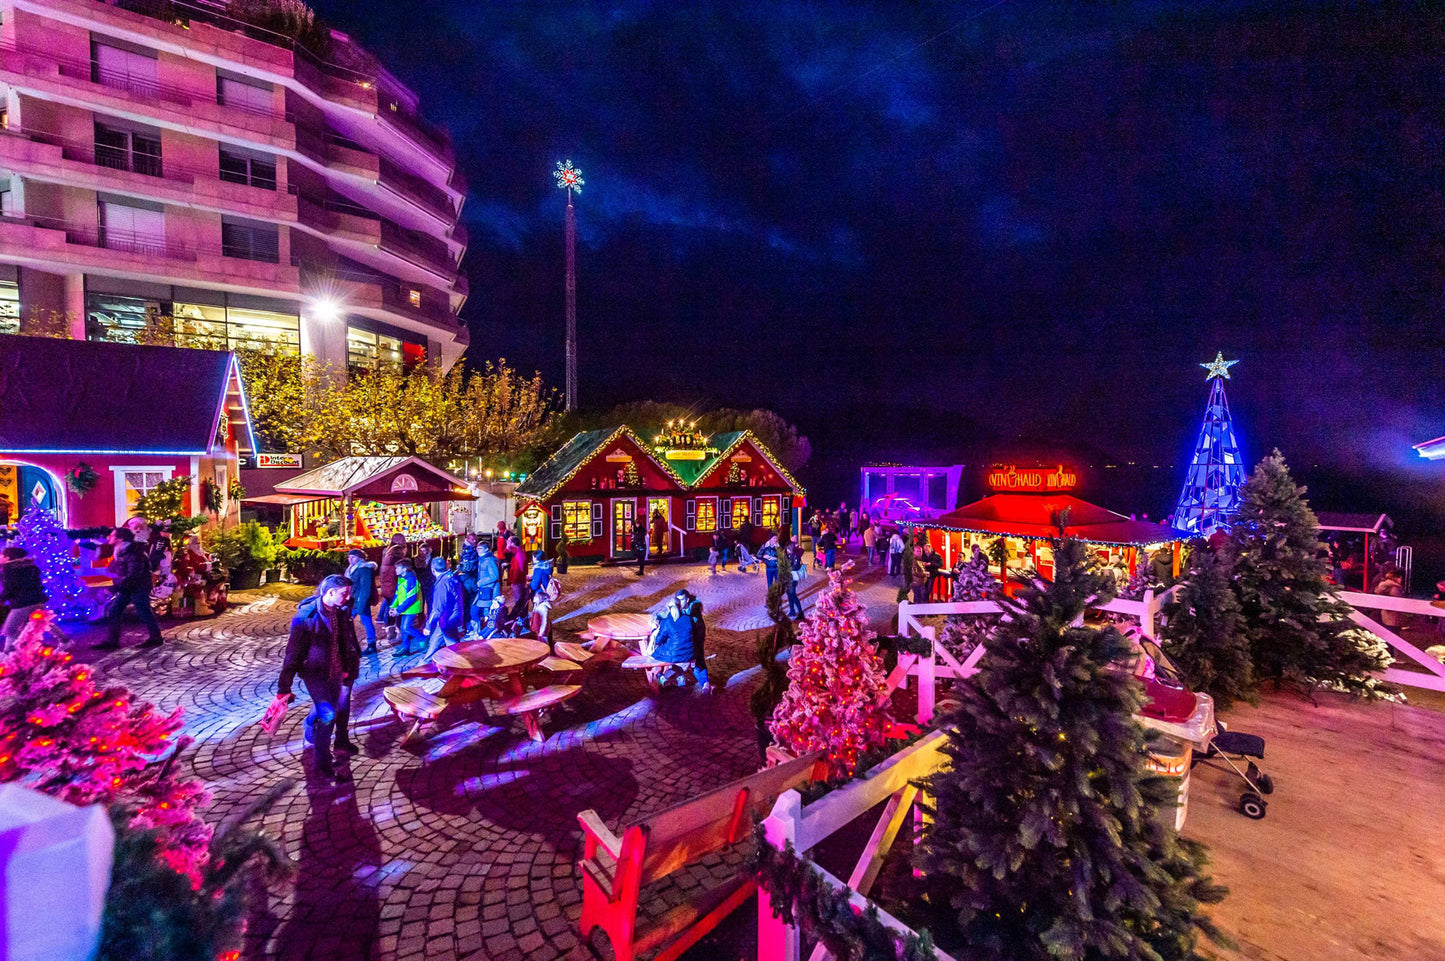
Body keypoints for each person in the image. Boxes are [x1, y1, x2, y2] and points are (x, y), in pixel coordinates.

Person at [277, 574, 358, 780]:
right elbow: (292, 654)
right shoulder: (306, 617)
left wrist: (347, 666)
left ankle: (308, 723)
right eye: (344, 593)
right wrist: (284, 687)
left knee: (333, 708)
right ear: (330, 593)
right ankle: (323, 766)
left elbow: (343, 640)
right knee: (328, 715)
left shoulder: (341, 611)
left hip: (337, 671)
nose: (348, 597)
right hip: (315, 674)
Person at [98, 526, 163, 650]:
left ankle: (156, 638)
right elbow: (116, 569)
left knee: (143, 611)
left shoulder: (133, 552)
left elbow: (134, 574)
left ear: (120, 539)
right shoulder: (120, 550)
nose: (109, 538)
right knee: (115, 611)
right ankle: (112, 641)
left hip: (139, 586)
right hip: (128, 586)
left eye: (112, 535)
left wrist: (115, 585)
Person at [0, 546, 47, 648]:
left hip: (22, 603)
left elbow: (10, 588)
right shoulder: (30, 566)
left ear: (7, 558)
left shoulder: (8, 569)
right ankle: (25, 652)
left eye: (1, 556)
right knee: (29, 629)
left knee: (10, 629)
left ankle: (8, 654)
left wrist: (1, 598)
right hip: (36, 600)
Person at [423, 556, 466, 659]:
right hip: (451, 617)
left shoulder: (442, 584)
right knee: (434, 645)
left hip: (447, 619)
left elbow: (438, 608)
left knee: (454, 650)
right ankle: (425, 665)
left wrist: (428, 625)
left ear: (432, 569)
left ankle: (460, 668)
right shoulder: (451, 577)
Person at [345, 548, 379, 653]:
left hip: (360, 600)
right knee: (348, 621)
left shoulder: (364, 569)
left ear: (360, 558)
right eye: (349, 557)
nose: (350, 559)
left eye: (353, 557)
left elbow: (366, 587)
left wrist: (362, 604)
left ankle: (372, 644)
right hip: (352, 599)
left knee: (365, 621)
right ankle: (349, 643)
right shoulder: (351, 568)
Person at [391, 559, 426, 654]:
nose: (396, 570)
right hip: (405, 608)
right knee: (403, 628)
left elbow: (411, 598)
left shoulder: (411, 579)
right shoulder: (401, 579)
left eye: (398, 568)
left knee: (406, 628)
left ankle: (422, 638)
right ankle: (405, 649)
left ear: (405, 569)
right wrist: (392, 607)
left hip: (412, 608)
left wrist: (398, 610)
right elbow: (397, 594)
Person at [679, 588, 710, 690]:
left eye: (682, 600)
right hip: (688, 638)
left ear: (687, 599)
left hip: (696, 638)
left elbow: (693, 626)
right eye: (678, 600)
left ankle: (705, 684)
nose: (680, 602)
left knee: (698, 661)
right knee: (695, 663)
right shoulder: (680, 607)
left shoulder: (694, 610)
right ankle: (705, 684)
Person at [376, 533, 407, 638]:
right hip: (394, 586)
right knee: (397, 608)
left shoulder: (387, 551)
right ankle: (399, 630)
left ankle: (390, 629)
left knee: (390, 606)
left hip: (387, 586)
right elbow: (401, 570)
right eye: (403, 540)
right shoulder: (396, 552)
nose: (405, 541)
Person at [469, 541, 501, 634]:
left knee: (489, 612)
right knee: (481, 611)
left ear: (486, 549)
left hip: (489, 591)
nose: (477, 550)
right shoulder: (483, 559)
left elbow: (494, 576)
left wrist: (480, 583)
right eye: (477, 548)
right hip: (485, 590)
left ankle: (489, 631)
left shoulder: (489, 560)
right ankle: (484, 631)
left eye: (480, 548)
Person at [456, 533, 481, 614]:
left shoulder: (470, 549)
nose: (475, 541)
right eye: (473, 539)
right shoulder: (468, 551)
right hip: (469, 579)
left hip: (471, 578)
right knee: (470, 600)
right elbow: (468, 566)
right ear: (468, 539)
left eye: (476, 539)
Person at [786, 541, 806, 619]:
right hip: (789, 577)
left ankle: (800, 612)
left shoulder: (795, 556)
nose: (786, 550)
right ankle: (792, 611)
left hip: (793, 577)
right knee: (789, 594)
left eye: (787, 548)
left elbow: (795, 567)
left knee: (793, 594)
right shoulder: (789, 555)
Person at [415, 543, 435, 620]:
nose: (422, 553)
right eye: (421, 551)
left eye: (424, 551)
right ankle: (421, 618)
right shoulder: (416, 559)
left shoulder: (431, 559)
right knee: (420, 602)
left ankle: (430, 617)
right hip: (420, 583)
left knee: (430, 601)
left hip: (429, 583)